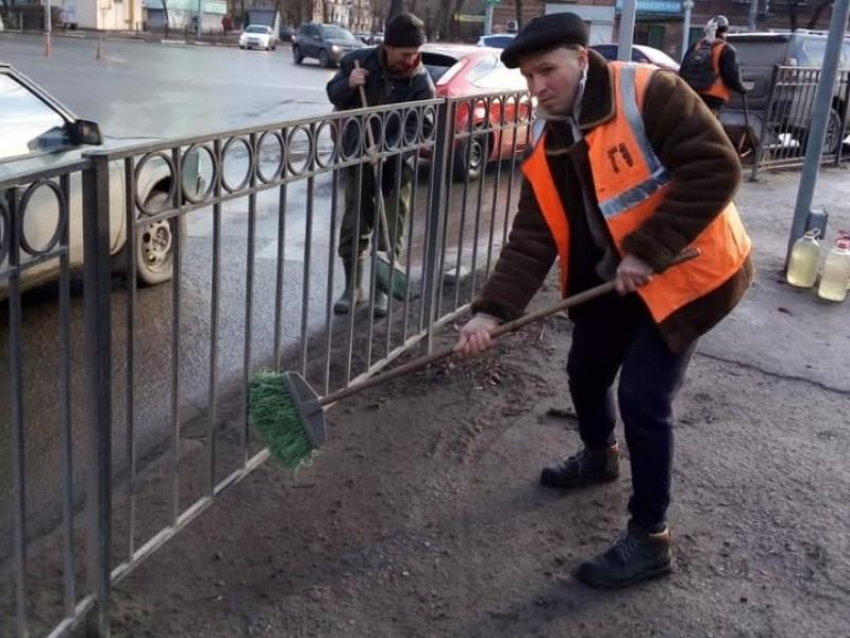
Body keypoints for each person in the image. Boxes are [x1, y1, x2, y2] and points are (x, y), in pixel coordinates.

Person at [454, 13, 754, 589]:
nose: (537, 87)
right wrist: (493, 311)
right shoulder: (550, 135)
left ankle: (651, 539)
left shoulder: (650, 92)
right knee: (586, 370)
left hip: (688, 268)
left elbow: (717, 167)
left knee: (645, 398)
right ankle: (599, 457)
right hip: (617, 275)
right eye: (527, 78)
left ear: (581, 59)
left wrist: (648, 249)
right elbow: (534, 234)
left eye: (547, 71)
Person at [326, 13, 436, 317]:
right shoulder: (359, 63)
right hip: (358, 158)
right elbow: (333, 94)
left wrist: (387, 150)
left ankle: (379, 290)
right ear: (387, 46)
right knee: (354, 224)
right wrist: (349, 84)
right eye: (404, 53)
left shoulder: (421, 81)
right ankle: (353, 288)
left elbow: (422, 128)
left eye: (415, 53)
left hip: (397, 167)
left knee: (391, 229)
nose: (411, 59)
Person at [680, 15, 748, 116]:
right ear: (725, 31)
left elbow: (683, 70)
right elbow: (730, 77)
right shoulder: (727, 49)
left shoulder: (696, 46)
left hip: (692, 94)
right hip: (714, 98)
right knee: (708, 127)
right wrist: (742, 89)